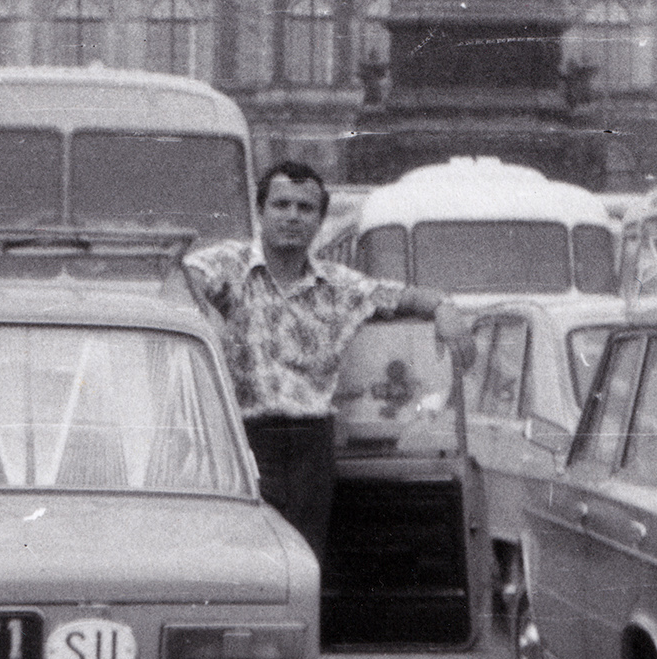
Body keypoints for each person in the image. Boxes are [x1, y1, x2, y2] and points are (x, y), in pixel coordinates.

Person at [183, 160, 473, 559]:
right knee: (240, 560)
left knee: (303, 562)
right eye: (281, 205)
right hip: (240, 438)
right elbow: (181, 280)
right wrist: (203, 315)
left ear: (319, 220)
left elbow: (402, 296)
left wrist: (444, 307)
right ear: (260, 212)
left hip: (310, 447)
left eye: (305, 208)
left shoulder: (339, 286)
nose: (292, 216)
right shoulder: (227, 266)